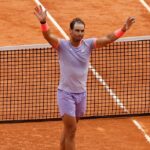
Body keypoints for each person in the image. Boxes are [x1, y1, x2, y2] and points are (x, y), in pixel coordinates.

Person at [34, 5, 135, 150]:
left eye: (82, 31)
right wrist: (44, 23)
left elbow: (107, 39)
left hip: (81, 95)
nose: (80, 33)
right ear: (70, 31)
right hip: (65, 94)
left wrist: (123, 29)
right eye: (77, 30)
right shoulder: (61, 46)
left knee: (69, 130)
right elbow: (48, 36)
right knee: (72, 130)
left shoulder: (88, 45)